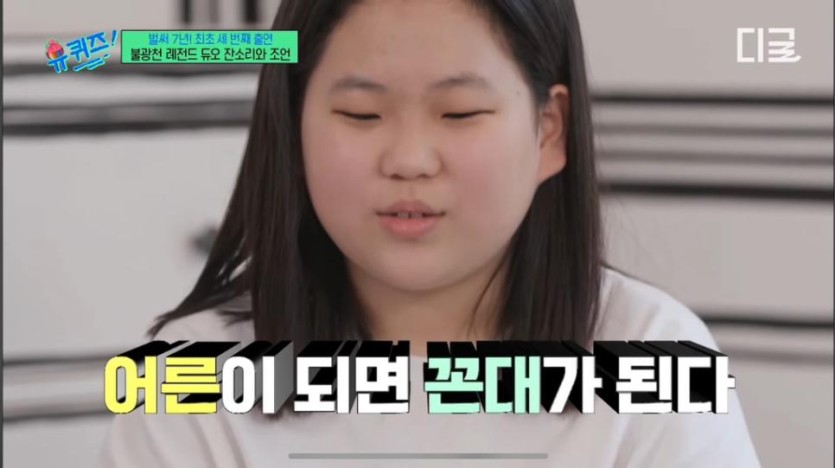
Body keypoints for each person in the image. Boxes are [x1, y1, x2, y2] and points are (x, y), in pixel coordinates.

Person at [99, 0, 761, 466]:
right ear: (293, 128)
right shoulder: (192, 374)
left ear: (548, 131)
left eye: (459, 112)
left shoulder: (652, 359)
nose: (409, 160)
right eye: (360, 114)